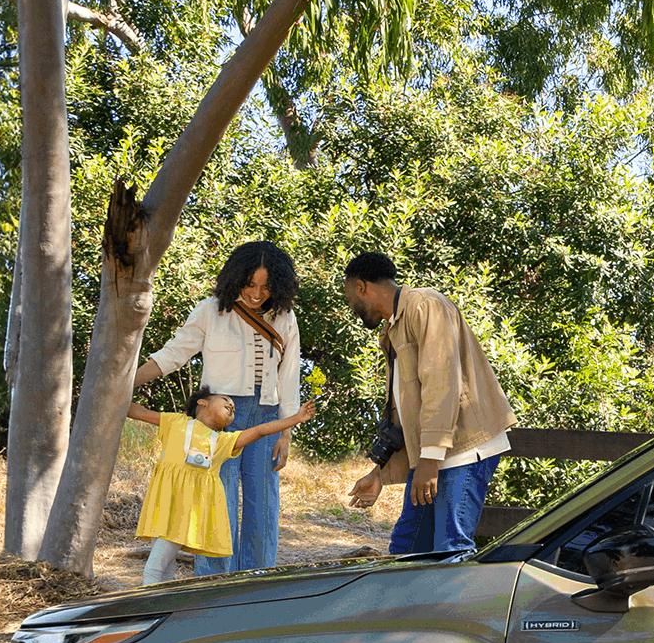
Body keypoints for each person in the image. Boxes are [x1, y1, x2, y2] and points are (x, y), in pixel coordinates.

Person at [137, 241, 305, 572]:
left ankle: (257, 580)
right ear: (235, 278)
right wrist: (124, 384)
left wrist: (286, 431)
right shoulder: (209, 311)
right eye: (250, 284)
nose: (257, 294)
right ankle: (213, 583)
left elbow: (289, 376)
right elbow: (174, 353)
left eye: (266, 287)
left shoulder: (284, 317)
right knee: (215, 503)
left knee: (264, 504)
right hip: (219, 421)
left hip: (267, 416)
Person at [340, 250, 511, 556]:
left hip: (463, 449)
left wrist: (429, 462)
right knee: (408, 547)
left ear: (361, 287)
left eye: (349, 296)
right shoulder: (392, 329)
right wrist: (380, 473)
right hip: (433, 456)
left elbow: (441, 383)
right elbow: (405, 412)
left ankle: (454, 606)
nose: (351, 306)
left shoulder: (425, 305)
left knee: (451, 549)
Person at [130, 385, 312, 585]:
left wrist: (295, 419)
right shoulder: (175, 422)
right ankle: (165, 607)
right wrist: (108, 389)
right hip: (163, 507)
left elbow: (260, 431)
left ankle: (148, 608)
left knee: (154, 568)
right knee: (166, 567)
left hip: (186, 515)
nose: (232, 407)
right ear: (202, 402)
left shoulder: (223, 441)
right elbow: (139, 413)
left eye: (233, 409)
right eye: (226, 400)